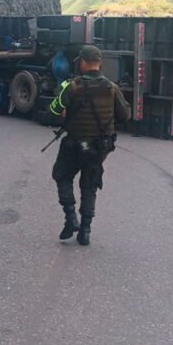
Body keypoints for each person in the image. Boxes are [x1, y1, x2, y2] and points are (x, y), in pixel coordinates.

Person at [49, 45, 131, 246]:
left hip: (74, 144)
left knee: (62, 176)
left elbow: (54, 109)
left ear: (83, 63)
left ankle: (71, 218)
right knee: (90, 184)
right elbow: (125, 115)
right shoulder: (112, 88)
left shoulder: (72, 86)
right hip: (99, 147)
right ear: (99, 63)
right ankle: (85, 231)